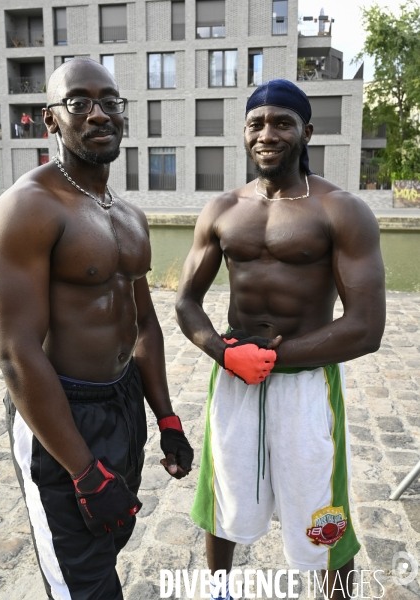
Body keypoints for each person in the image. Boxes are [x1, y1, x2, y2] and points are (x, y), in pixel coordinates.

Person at [0, 58, 193, 600]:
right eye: (79, 102)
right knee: (81, 582)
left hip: (121, 401)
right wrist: (82, 470)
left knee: (110, 539)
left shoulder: (127, 215)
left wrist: (165, 416)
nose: (99, 114)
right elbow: (15, 351)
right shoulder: (26, 210)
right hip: (60, 411)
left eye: (110, 102)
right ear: (51, 120)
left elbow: (143, 322)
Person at [175, 79, 386, 600]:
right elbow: (185, 302)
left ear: (306, 132)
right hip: (234, 380)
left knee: (322, 511)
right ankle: (219, 592)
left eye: (281, 122)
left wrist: (269, 359)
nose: (267, 133)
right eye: (256, 123)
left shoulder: (341, 210)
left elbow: (366, 326)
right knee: (224, 495)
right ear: (244, 134)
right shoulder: (222, 209)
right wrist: (226, 354)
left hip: (306, 386)